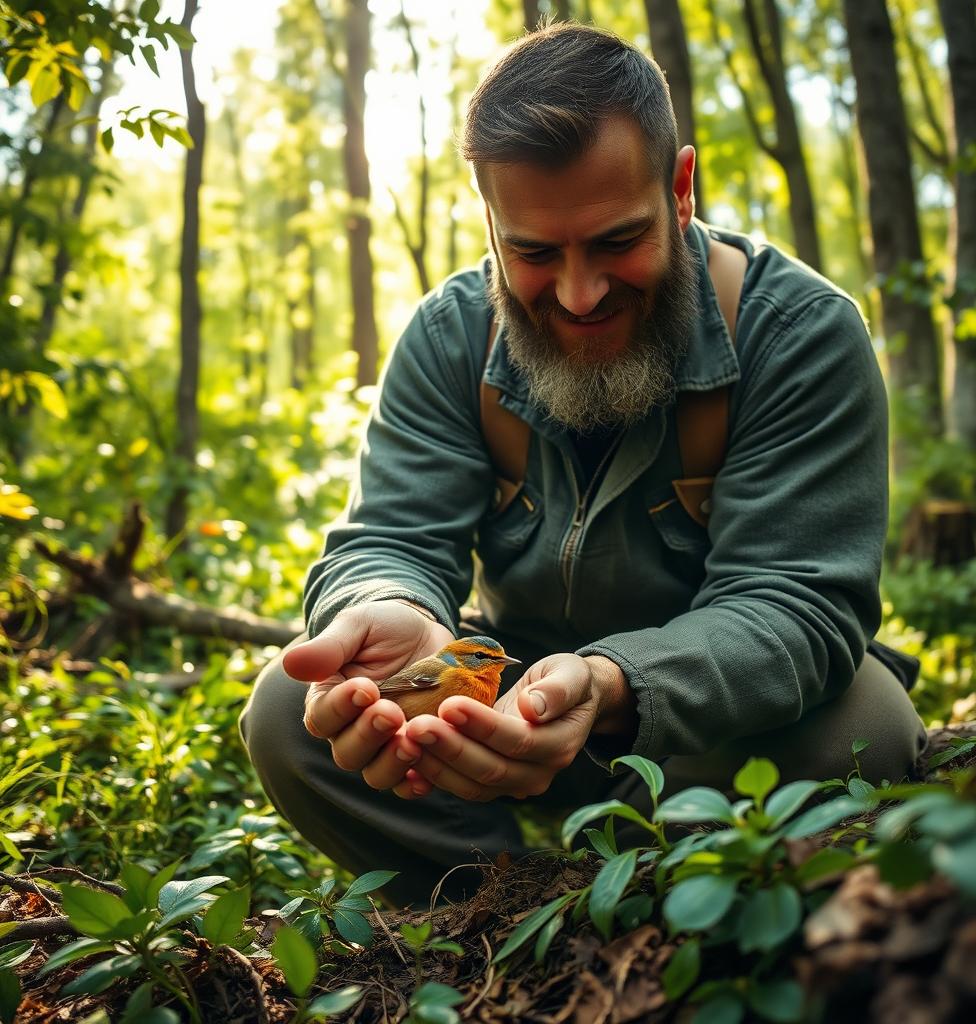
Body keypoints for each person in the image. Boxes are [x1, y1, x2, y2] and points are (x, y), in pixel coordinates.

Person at [240, 23, 926, 907]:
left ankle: (677, 896)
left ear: (679, 189)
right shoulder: (450, 337)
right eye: (532, 252)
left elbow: (795, 603)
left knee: (858, 732)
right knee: (287, 714)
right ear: (489, 218)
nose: (579, 293)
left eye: (614, 242)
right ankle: (500, 906)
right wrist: (388, 613)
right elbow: (390, 537)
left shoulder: (799, 336)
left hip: (714, 722)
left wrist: (611, 686)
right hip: (513, 698)